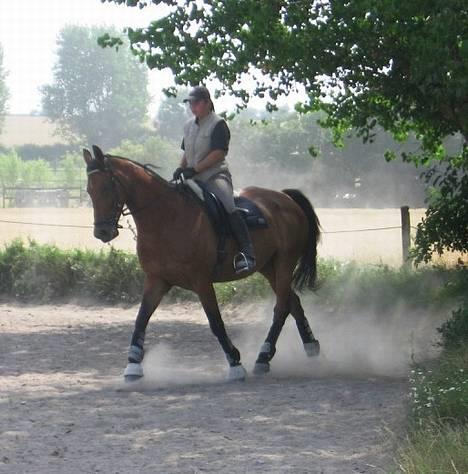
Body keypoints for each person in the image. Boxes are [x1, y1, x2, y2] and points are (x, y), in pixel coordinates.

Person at [173, 85, 256, 274]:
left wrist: (194, 170)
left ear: (207, 103)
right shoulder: (188, 126)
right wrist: (181, 168)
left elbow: (218, 153)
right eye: (190, 103)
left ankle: (247, 252)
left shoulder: (218, 124)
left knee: (228, 205)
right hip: (192, 176)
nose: (192, 107)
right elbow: (187, 152)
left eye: (196, 103)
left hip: (214, 176)